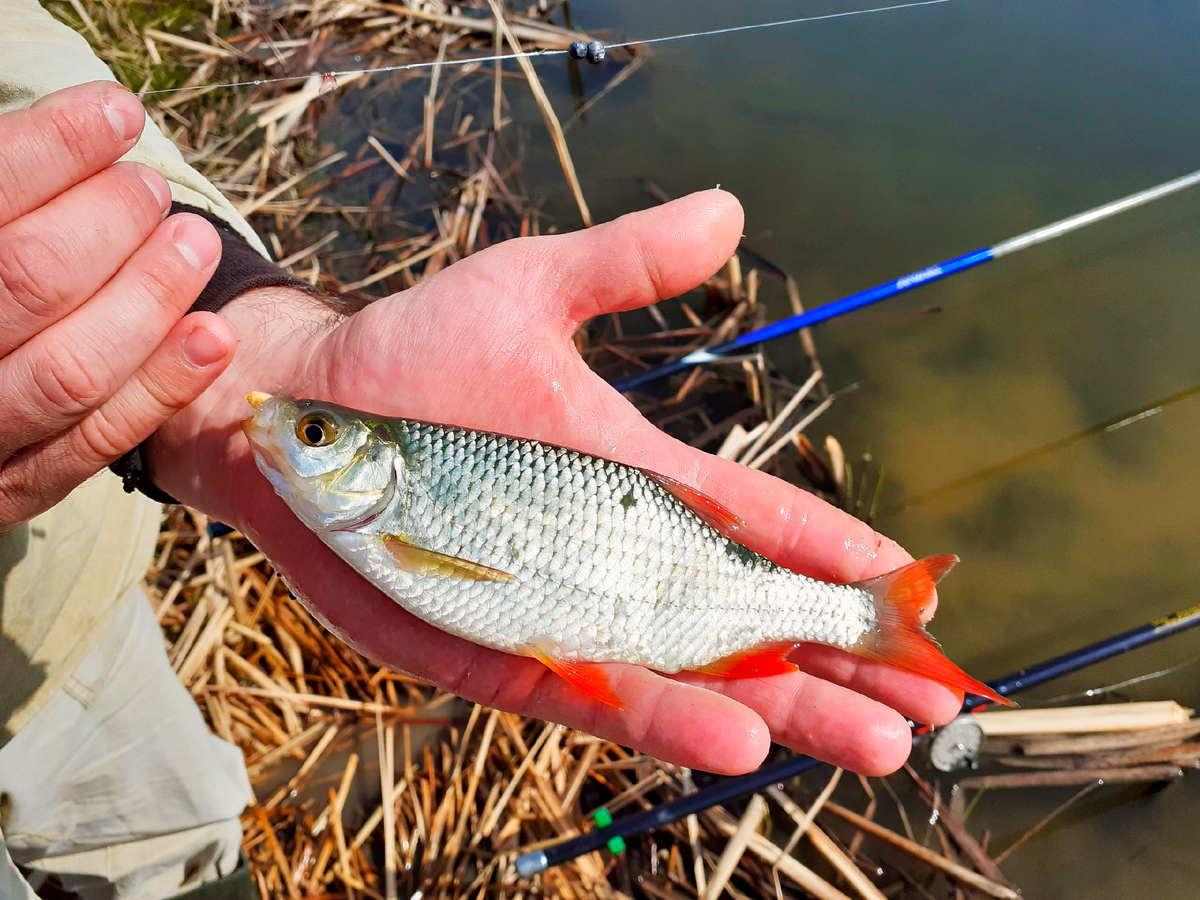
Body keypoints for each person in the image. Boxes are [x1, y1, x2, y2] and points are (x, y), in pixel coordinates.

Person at [0, 1, 964, 896]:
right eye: (315, 430)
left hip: (59, 628)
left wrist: (234, 339)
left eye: (316, 430)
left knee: (179, 842)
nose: (288, 428)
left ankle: (861, 615)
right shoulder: (374, 520)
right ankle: (859, 616)